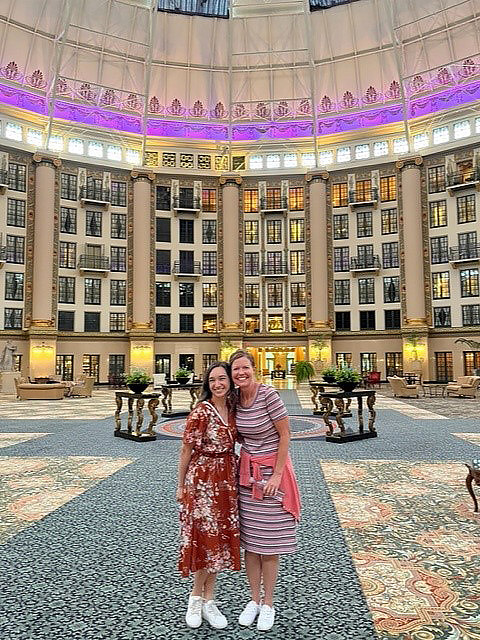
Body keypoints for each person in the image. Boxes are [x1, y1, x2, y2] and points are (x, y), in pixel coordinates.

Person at [229, 349, 301, 632]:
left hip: (272, 474)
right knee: (251, 543)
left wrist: (279, 474)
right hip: (247, 478)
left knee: (269, 545)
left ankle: (268, 603)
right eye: (236, 369)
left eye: (245, 368)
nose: (241, 373)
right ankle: (253, 601)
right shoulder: (235, 399)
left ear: (253, 368)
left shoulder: (268, 395)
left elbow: (285, 433)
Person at [176, 361, 240, 630]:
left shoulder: (234, 409)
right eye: (212, 380)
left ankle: (209, 600)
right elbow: (185, 451)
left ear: (230, 381)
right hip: (202, 480)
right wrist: (181, 486)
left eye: (222, 378)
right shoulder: (201, 412)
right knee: (204, 539)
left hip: (226, 479)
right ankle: (195, 598)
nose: (217, 384)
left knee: (219, 539)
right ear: (207, 384)